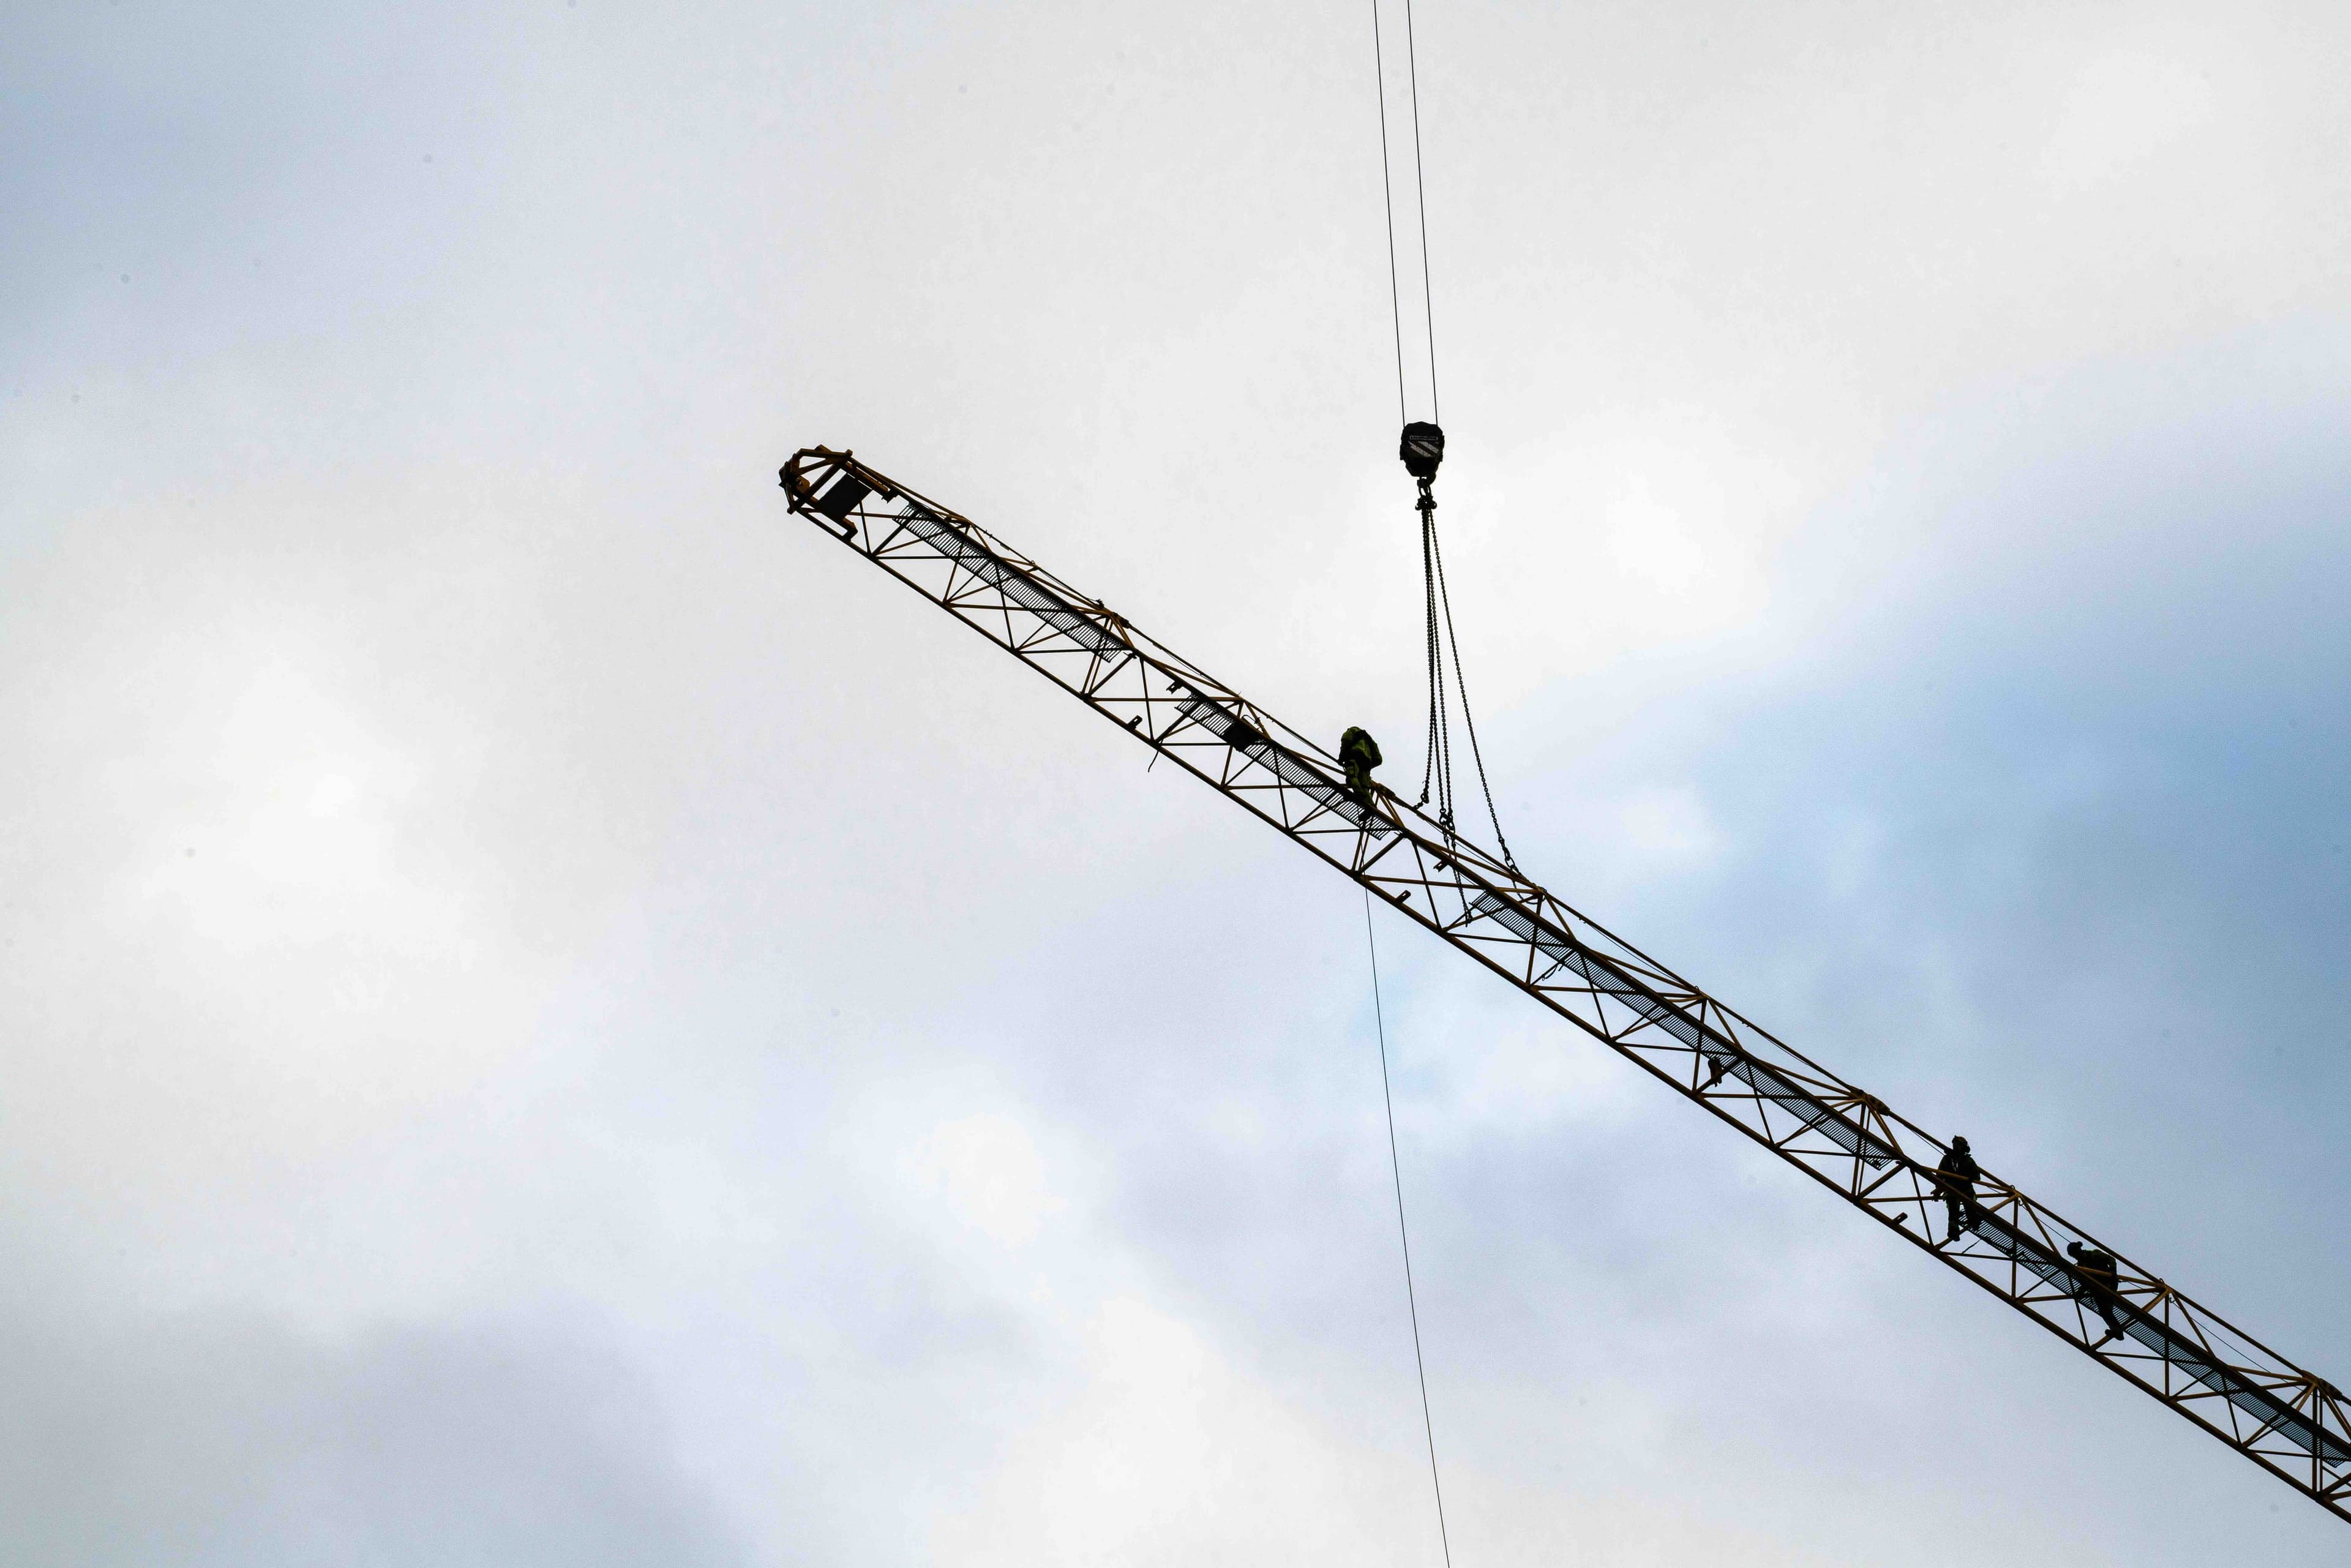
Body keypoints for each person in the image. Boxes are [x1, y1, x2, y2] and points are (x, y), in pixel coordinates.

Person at [2068, 1240, 2124, 1345]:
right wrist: (2080, 1292)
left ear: (2079, 1250)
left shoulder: (2094, 1255)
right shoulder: (2081, 1266)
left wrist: (2113, 1271)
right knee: (2104, 1311)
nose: (2076, 1257)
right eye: (2073, 1256)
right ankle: (2117, 1331)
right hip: (2096, 1288)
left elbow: (2111, 1259)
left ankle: (2117, 1330)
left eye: (2075, 1253)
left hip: (2108, 1284)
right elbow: (2085, 1283)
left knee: (2105, 1308)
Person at [1935, 1135, 1982, 1242]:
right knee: (1953, 1212)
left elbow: (1977, 1176)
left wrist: (1969, 1177)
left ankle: (1974, 1222)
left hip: (1966, 1189)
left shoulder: (1968, 1160)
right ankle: (1953, 1232)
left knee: (1971, 1208)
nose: (1955, 1146)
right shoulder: (1947, 1159)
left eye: (1958, 1145)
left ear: (1963, 1147)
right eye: (1954, 1144)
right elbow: (1939, 1175)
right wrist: (1938, 1189)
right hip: (1951, 1189)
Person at [1338, 726, 1384, 812]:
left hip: (1354, 756)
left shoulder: (1351, 731)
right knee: (1364, 786)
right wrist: (1369, 765)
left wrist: (1341, 758)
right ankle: (1371, 807)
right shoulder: (1368, 739)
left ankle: (1358, 794)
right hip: (1367, 762)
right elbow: (1378, 759)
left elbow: (1346, 741)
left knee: (1351, 777)